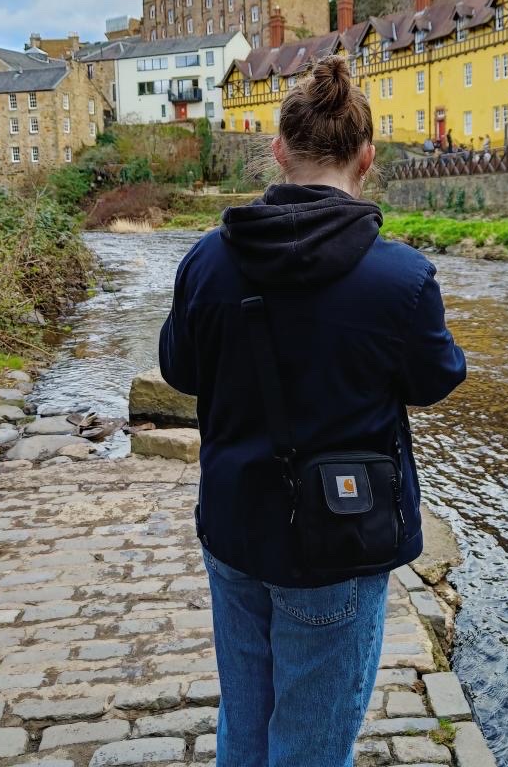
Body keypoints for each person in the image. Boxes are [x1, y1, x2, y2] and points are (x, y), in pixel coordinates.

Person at [159, 54, 466, 767]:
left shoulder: (207, 261)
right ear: (367, 158)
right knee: (314, 746)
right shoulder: (402, 278)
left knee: (245, 720)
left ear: (278, 152)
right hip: (340, 538)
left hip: (235, 527)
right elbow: (435, 379)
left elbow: (179, 369)